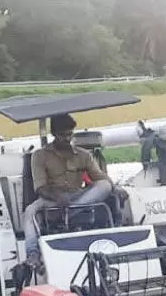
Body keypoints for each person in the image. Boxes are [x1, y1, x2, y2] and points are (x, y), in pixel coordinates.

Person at [22, 113, 113, 265]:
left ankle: (71, 212)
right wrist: (57, 197)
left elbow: (100, 176)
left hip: (78, 198)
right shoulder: (40, 156)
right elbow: (40, 187)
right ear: (54, 134)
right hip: (51, 200)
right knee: (30, 211)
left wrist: (116, 188)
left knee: (105, 186)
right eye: (62, 135)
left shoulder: (83, 155)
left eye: (69, 134)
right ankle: (32, 253)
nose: (67, 139)